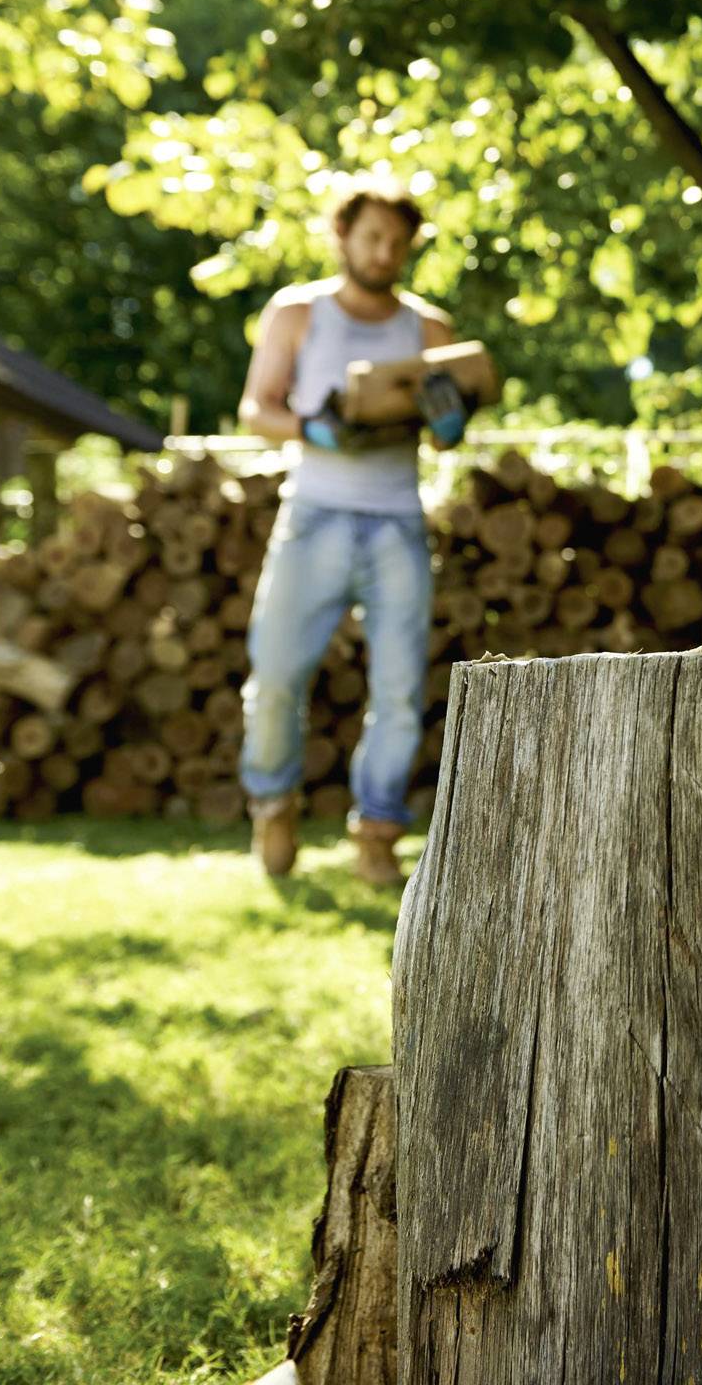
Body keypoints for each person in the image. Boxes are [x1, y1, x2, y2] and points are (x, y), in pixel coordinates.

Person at [234, 179, 458, 886]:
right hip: (315, 517)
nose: (384, 252)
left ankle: (377, 832)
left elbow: (448, 434)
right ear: (342, 236)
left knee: (396, 690)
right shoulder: (297, 312)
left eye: (397, 242)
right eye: (371, 238)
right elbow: (254, 409)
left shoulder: (430, 328)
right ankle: (273, 807)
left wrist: (450, 419)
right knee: (274, 677)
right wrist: (311, 427)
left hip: (396, 520)